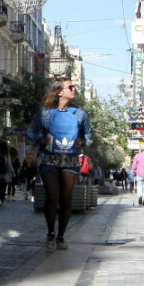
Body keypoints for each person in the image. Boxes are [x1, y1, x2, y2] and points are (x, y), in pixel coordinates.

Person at [27, 79, 92, 251]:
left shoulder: (80, 114)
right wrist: (40, 139)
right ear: (59, 92)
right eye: (70, 87)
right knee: (52, 196)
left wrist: (81, 140)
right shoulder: (44, 113)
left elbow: (89, 136)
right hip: (49, 158)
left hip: (70, 160)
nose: (74, 89)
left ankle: (61, 235)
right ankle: (50, 233)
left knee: (66, 198)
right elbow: (31, 131)